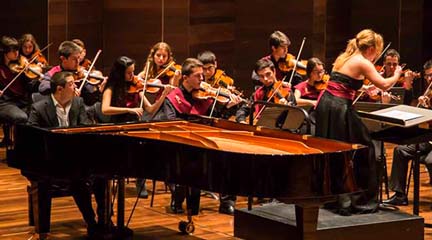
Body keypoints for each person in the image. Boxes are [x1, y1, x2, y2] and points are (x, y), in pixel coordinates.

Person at [315, 29, 405, 215]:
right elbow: (385, 84)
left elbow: (343, 82)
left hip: (327, 105)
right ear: (370, 48)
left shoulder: (345, 57)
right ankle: (360, 199)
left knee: (334, 151)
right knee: (365, 148)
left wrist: (364, 87)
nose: (376, 55)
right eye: (377, 50)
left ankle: (335, 197)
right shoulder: (363, 62)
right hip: (340, 108)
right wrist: (397, 73)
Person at [27, 71, 109, 238]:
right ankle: (91, 223)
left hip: (76, 159)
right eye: (71, 84)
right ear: (59, 89)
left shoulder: (78, 103)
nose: (75, 87)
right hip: (49, 163)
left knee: (102, 176)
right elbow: (31, 137)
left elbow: (85, 127)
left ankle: (104, 221)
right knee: (77, 180)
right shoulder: (39, 108)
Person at [155, 58, 241, 215]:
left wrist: (228, 108)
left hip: (204, 141)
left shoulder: (204, 96)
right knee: (183, 162)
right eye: (198, 76)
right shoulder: (173, 97)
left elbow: (215, 118)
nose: (202, 79)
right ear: (185, 77)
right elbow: (171, 123)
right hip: (182, 143)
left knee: (227, 159)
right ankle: (178, 198)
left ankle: (226, 202)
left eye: (202, 75)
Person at [101, 56, 174, 198]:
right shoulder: (111, 88)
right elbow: (105, 109)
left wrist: (164, 94)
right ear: (120, 73)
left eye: (133, 72)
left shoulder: (137, 86)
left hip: (135, 126)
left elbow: (151, 109)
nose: (133, 76)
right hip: (118, 127)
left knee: (148, 150)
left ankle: (142, 181)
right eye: (129, 73)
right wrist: (129, 110)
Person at [383, 59, 432, 206]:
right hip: (428, 139)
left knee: (430, 160)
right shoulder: (428, 93)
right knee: (400, 150)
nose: (429, 79)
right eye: (427, 76)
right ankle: (399, 195)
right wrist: (425, 108)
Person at [197, 50, 238, 215]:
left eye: (210, 68)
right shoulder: (196, 84)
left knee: (228, 162)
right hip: (200, 128)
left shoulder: (225, 83)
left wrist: (229, 105)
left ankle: (227, 201)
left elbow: (227, 113)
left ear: (216, 66)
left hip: (219, 129)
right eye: (204, 69)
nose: (207, 73)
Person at [236, 58, 296, 124]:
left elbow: (294, 114)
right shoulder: (258, 93)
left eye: (268, 74)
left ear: (274, 71)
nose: (265, 79)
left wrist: (287, 107)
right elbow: (243, 110)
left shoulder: (286, 90)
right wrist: (242, 121)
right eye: (261, 76)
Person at [0, 36, 32, 145]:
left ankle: (27, 146)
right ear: (5, 52)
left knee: (37, 114)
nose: (16, 53)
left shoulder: (21, 64)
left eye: (17, 49)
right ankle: (20, 146)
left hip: (22, 100)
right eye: (13, 50)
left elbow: (29, 86)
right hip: (5, 102)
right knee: (21, 117)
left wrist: (32, 75)